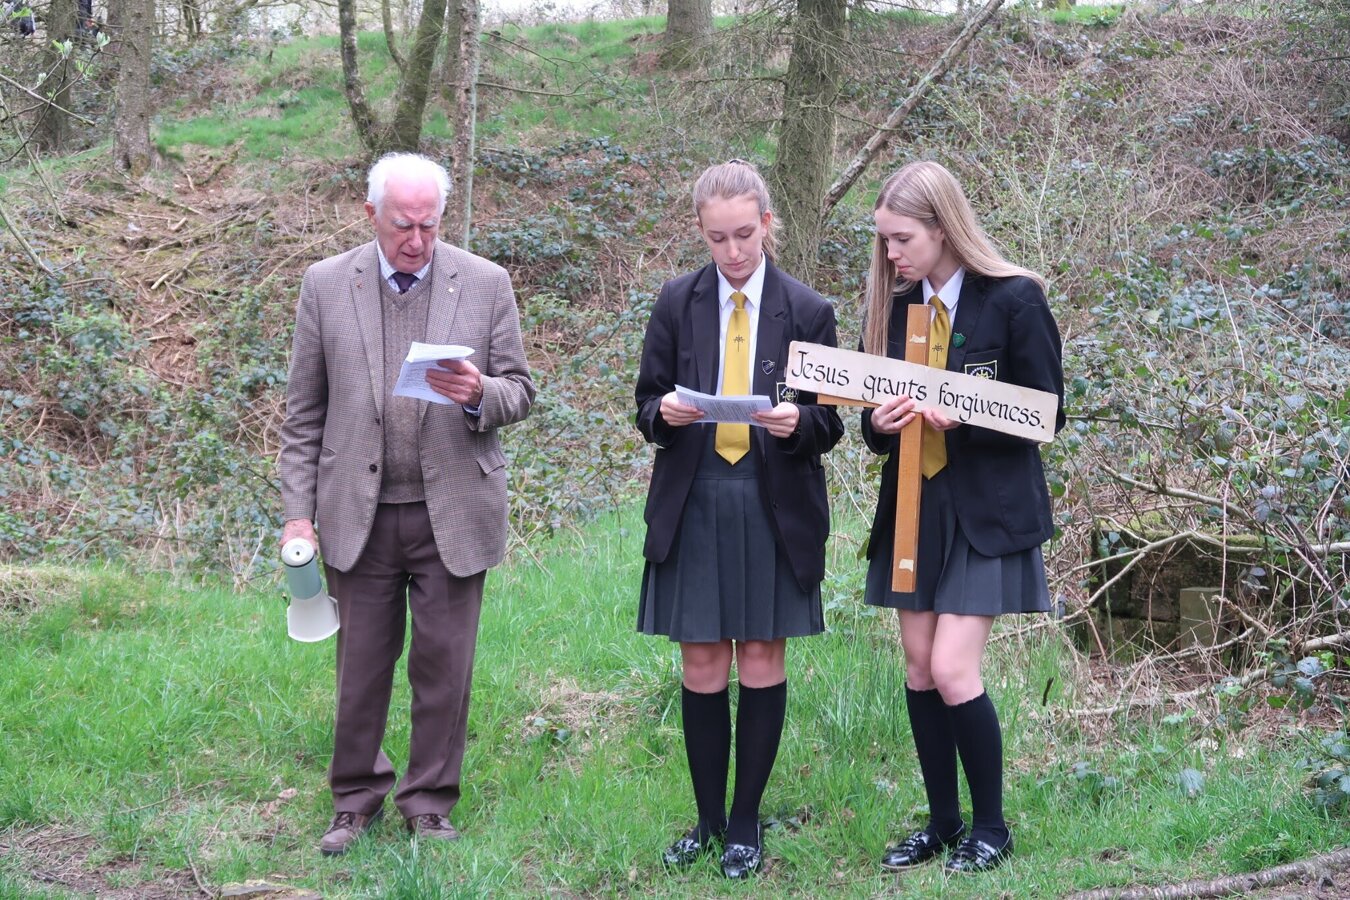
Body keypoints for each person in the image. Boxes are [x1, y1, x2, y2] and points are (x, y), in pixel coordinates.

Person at [278, 152, 535, 856]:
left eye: (428, 224)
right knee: (360, 667)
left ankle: (429, 803)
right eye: (402, 226)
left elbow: (520, 390)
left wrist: (480, 391)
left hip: (451, 507)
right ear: (371, 216)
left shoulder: (485, 283)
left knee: (444, 666)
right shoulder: (326, 284)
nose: (416, 240)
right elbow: (303, 415)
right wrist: (298, 512)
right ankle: (354, 800)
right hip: (355, 512)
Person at [634, 160, 845, 879]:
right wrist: (661, 413)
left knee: (759, 656)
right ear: (701, 231)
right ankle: (707, 819)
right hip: (693, 500)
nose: (731, 252)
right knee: (700, 661)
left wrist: (799, 423)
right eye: (717, 238)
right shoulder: (674, 302)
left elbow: (832, 424)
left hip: (772, 501)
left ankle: (747, 821)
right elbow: (645, 406)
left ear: (768, 225)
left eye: (744, 236)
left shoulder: (808, 310)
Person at [859, 161, 1064, 874]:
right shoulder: (897, 309)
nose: (892, 255)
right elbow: (872, 428)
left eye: (902, 239)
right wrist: (881, 423)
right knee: (918, 668)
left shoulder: (1014, 300)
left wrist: (964, 418)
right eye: (885, 241)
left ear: (943, 228)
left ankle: (992, 828)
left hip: (986, 510)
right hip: (915, 507)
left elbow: (1046, 415)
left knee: (952, 667)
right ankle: (943, 824)